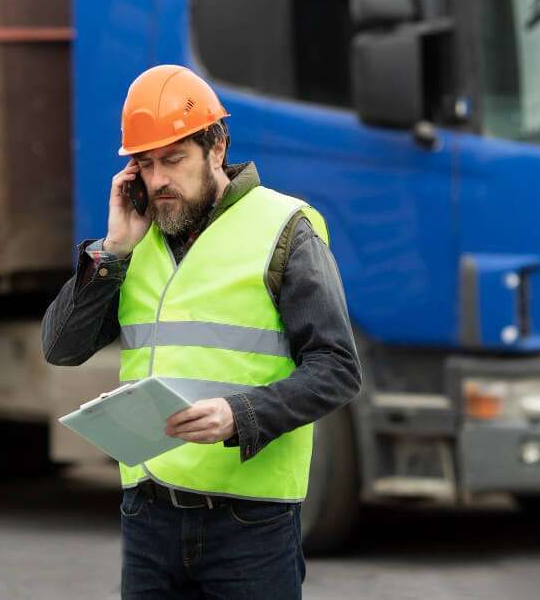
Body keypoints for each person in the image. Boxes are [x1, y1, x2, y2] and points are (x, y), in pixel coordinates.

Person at [42, 64, 361, 599]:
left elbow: (337, 369)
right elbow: (61, 348)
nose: (159, 179)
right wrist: (113, 251)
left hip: (249, 525)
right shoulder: (133, 241)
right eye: (145, 164)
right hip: (148, 515)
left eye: (174, 159)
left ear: (216, 148)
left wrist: (241, 415)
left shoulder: (285, 230)